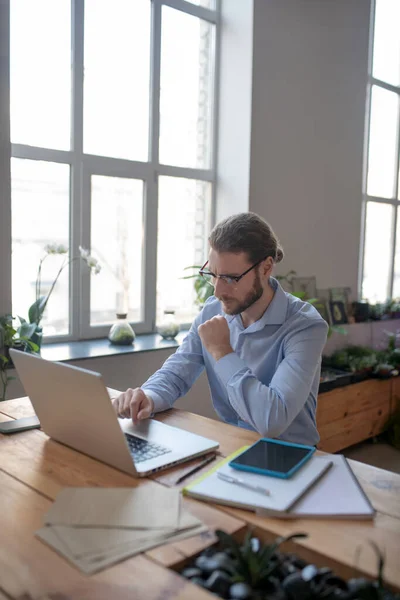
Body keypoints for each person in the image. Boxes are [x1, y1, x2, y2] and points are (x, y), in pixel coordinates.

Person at [112, 212, 328, 446]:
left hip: (291, 456)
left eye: (231, 278)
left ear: (266, 268)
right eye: (213, 275)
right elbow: (176, 373)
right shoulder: (212, 310)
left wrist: (223, 353)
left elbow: (272, 421)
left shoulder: (305, 326)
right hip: (230, 445)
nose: (218, 291)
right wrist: (147, 397)